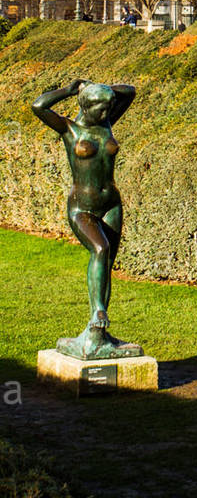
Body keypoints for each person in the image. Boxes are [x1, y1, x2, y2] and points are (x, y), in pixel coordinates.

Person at [32, 78, 141, 360]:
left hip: (111, 204)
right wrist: (71, 89)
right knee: (100, 249)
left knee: (107, 264)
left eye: (107, 108)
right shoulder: (70, 129)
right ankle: (97, 313)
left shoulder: (106, 124)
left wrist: (101, 87)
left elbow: (129, 92)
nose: (106, 113)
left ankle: (98, 334)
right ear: (85, 106)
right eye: (100, 108)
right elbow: (39, 106)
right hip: (82, 208)